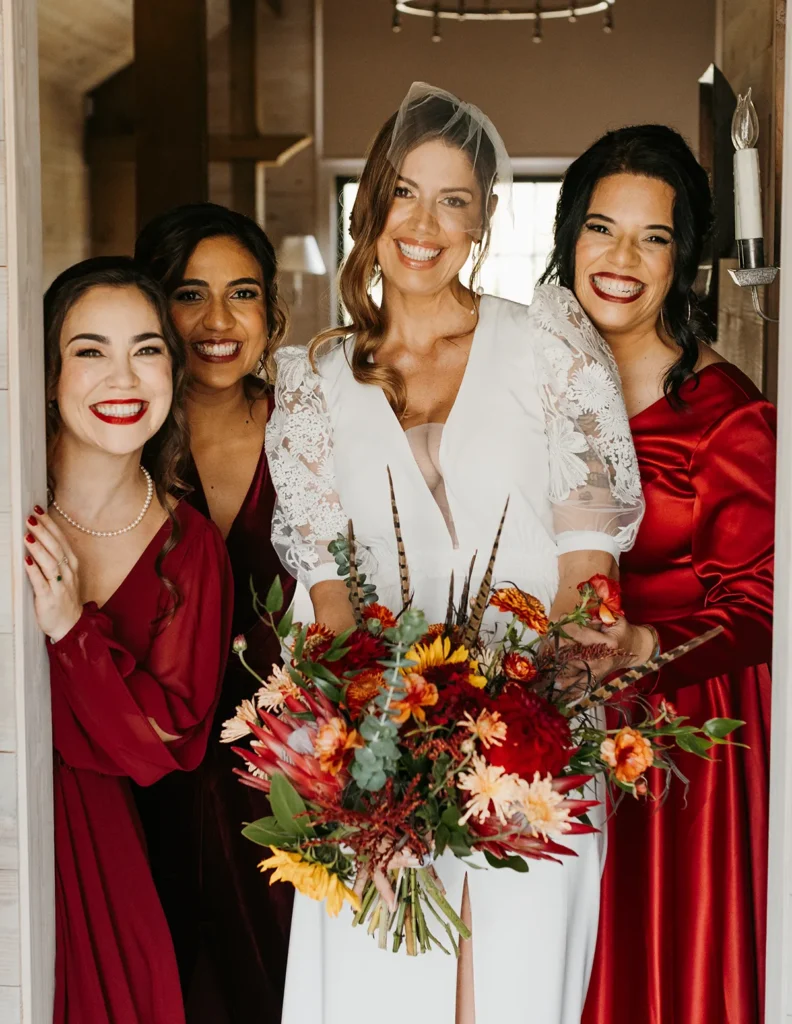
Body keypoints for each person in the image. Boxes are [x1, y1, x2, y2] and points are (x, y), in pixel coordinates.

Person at [266, 83, 646, 1024]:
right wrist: (371, 755)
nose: (423, 223)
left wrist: (524, 726)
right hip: (377, 762)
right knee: (375, 995)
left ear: (482, 219)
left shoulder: (549, 349)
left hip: (530, 749)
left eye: (454, 200)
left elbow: (585, 572)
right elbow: (329, 602)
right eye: (404, 193)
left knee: (510, 996)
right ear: (371, 207)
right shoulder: (314, 382)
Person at [540, 125, 775, 1024]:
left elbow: (758, 611)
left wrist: (645, 646)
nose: (621, 259)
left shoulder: (729, 417)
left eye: (654, 237)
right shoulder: (538, 389)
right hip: (551, 722)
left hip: (683, 742)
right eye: (601, 229)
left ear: (688, 258)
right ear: (569, 237)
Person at [27, 257, 233, 1024]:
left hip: (101, 854)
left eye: (146, 350)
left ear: (173, 374)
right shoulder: (11, 497)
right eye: (90, 351)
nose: (123, 377)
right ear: (47, 374)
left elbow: (162, 741)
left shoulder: (191, 547)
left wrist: (72, 632)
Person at [134, 204, 296, 1023]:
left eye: (243, 294)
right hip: (148, 775)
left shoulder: (310, 432)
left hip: (285, 779)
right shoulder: (116, 442)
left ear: (272, 312)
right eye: (190, 294)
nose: (219, 322)